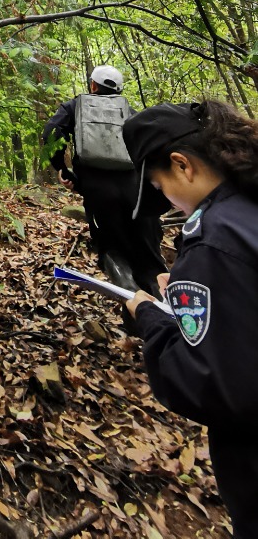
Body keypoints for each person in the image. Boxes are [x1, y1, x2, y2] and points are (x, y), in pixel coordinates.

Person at [123, 100, 258, 539]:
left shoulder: (213, 239)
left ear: (183, 165)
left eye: (160, 187)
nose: (168, 202)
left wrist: (152, 318)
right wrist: (189, 288)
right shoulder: (247, 210)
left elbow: (211, 382)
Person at [43, 64, 165, 294]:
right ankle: (161, 303)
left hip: (98, 191)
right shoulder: (128, 110)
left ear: (93, 85)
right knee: (149, 254)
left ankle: (129, 294)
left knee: (111, 248)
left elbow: (51, 133)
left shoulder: (75, 106)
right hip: (135, 190)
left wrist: (63, 170)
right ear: (119, 89)